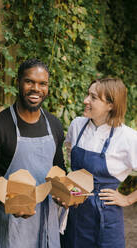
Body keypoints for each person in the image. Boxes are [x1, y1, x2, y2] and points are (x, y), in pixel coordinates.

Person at [0, 58, 66, 248]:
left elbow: (58, 168)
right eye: (29, 81)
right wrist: (7, 201)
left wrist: (66, 193)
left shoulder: (54, 124)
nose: (36, 89)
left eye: (42, 83)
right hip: (14, 223)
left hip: (48, 221)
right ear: (18, 82)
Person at [62, 78, 137, 248]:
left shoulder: (127, 138)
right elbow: (69, 157)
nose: (85, 100)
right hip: (74, 215)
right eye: (87, 94)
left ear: (111, 105)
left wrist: (127, 200)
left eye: (93, 97)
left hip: (106, 221)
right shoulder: (77, 126)